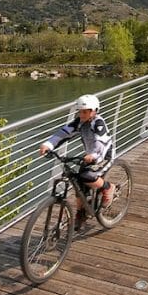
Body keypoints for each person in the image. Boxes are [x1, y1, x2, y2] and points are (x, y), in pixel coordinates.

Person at [39, 93, 114, 230]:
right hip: (89, 156)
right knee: (79, 183)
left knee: (87, 176)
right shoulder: (78, 122)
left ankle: (108, 187)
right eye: (80, 111)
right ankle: (81, 212)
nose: (82, 114)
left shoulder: (98, 123)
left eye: (85, 112)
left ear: (94, 111)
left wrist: (94, 156)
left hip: (103, 155)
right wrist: (48, 145)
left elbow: (100, 142)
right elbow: (62, 134)